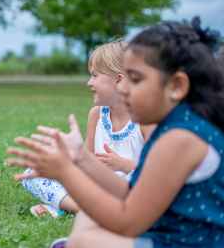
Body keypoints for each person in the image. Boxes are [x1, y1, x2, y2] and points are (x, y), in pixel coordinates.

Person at [8, 17, 224, 248]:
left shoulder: (180, 139)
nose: (121, 88)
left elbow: (127, 222)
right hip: (165, 231)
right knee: (87, 217)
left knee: (84, 238)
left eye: (135, 79)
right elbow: (131, 192)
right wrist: (80, 156)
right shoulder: (176, 126)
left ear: (177, 86)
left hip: (182, 242)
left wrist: (66, 173)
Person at [21, 41, 152, 218]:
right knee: (32, 173)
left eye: (95, 76)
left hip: (128, 187)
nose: (89, 82)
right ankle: (84, 208)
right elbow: (86, 160)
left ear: (119, 80)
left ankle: (72, 206)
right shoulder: (97, 115)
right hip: (97, 186)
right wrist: (64, 161)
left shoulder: (144, 120)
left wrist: (124, 165)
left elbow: (156, 175)